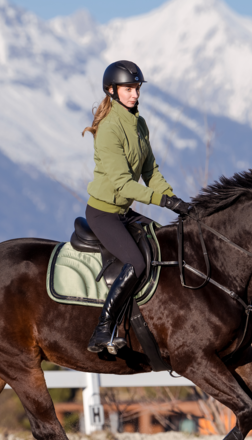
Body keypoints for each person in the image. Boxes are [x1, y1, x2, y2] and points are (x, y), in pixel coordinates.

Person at [82, 60, 192, 353]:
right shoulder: (108, 129)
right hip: (103, 213)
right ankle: (102, 331)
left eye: (137, 88)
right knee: (138, 262)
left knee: (162, 245)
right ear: (112, 90)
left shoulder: (139, 123)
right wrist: (162, 201)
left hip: (123, 212)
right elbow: (122, 185)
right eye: (129, 89)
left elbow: (150, 171)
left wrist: (176, 202)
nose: (135, 94)